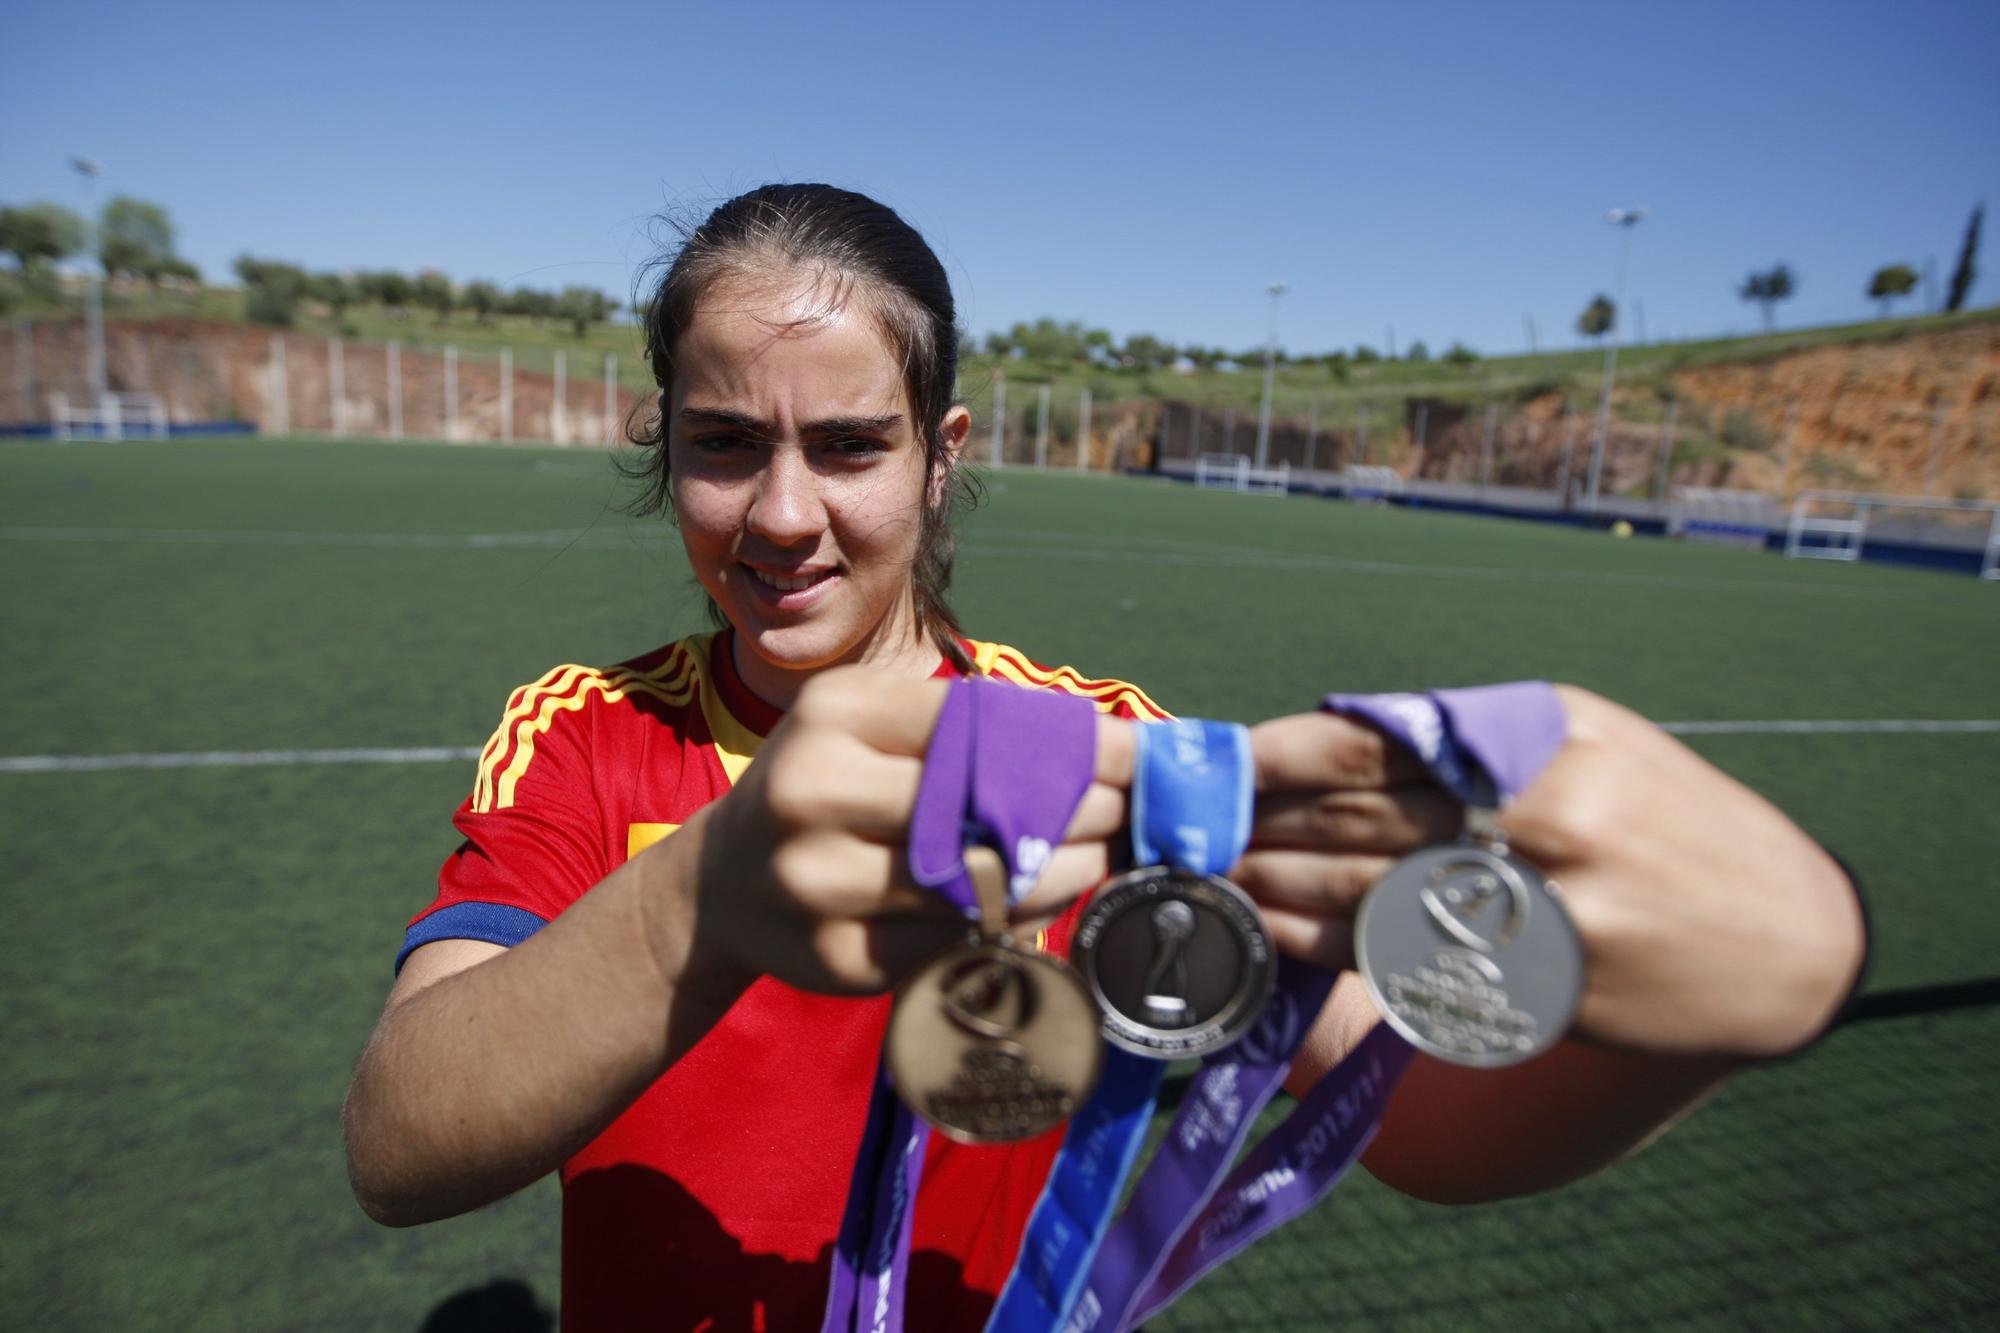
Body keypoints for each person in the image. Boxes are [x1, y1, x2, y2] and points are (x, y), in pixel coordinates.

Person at [344, 184, 1865, 1331]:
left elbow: (1413, 1117)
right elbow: (401, 1143)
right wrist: (700, 900)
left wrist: (1720, 1003)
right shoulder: (584, 736)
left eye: (853, 445)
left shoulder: (1099, 758)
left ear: (941, 458)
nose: (785, 514)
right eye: (726, 441)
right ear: (666, 444)